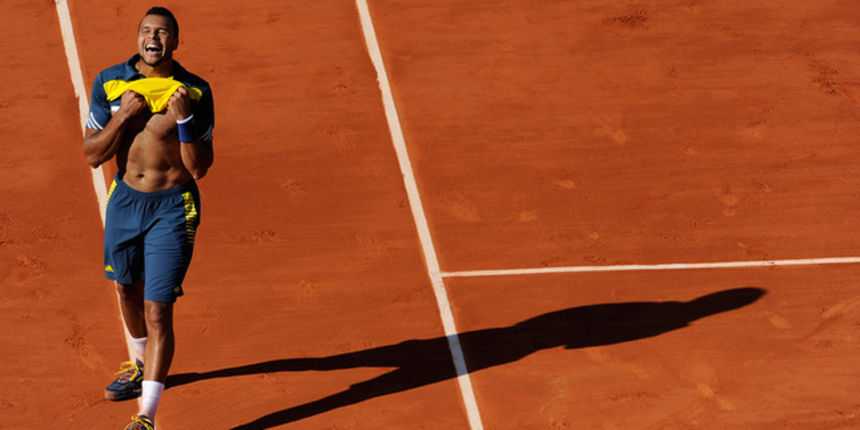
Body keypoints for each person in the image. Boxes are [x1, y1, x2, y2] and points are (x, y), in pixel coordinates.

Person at [82, 6, 214, 430]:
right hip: (125, 200)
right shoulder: (110, 82)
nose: (152, 38)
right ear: (138, 38)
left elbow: (200, 167)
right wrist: (122, 115)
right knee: (125, 288)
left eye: (162, 32)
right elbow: (92, 154)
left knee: (158, 309)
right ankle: (141, 362)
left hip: (173, 208)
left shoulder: (194, 91)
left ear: (175, 42)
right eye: (146, 31)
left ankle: (147, 416)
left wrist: (186, 121)